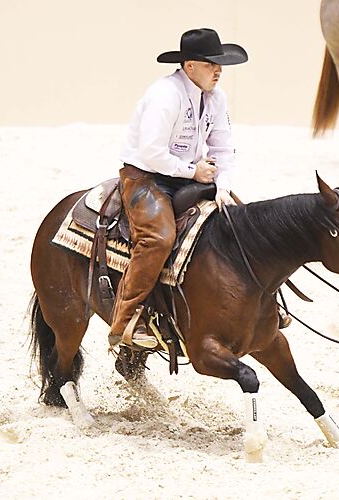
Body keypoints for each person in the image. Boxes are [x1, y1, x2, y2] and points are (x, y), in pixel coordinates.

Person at [108, 28, 248, 349]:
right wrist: (193, 171)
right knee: (158, 238)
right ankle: (124, 321)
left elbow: (223, 148)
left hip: (187, 175)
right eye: (210, 64)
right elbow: (151, 153)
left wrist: (223, 186)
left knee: (241, 220)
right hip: (144, 176)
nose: (218, 70)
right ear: (189, 66)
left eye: (219, 64)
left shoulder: (215, 98)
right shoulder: (165, 95)